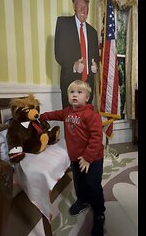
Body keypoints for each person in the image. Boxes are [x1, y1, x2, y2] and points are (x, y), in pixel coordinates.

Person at [39, 80, 105, 236]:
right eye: (72, 92)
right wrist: (40, 116)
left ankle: (99, 213)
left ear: (87, 97)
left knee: (93, 185)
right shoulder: (67, 112)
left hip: (93, 158)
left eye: (79, 92)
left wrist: (88, 157)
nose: (75, 94)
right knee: (79, 182)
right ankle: (82, 200)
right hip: (75, 158)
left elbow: (96, 138)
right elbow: (54, 114)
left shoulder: (92, 115)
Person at [55, 0, 100, 108]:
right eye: (80, 8)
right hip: (70, 85)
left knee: (86, 123)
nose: (83, 11)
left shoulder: (93, 32)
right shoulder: (63, 24)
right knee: (71, 123)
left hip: (88, 87)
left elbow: (95, 57)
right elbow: (58, 53)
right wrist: (74, 65)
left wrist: (95, 67)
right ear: (74, 7)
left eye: (86, 8)